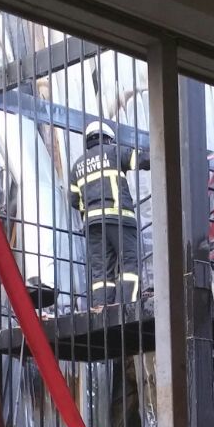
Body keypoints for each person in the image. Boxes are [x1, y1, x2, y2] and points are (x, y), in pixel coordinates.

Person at [68, 120, 150, 307]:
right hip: (119, 218)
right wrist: (159, 151)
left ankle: (102, 310)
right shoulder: (113, 152)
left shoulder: (77, 166)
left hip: (93, 224)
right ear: (107, 138)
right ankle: (127, 306)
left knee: (101, 272)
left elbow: (73, 199)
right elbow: (140, 159)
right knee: (129, 262)